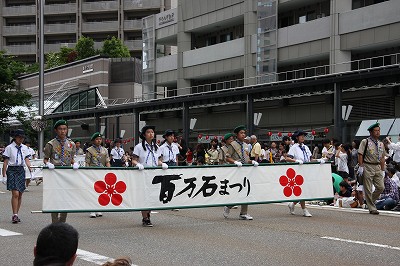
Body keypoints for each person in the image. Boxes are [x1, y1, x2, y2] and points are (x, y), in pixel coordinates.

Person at [131, 125, 167, 227]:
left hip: (154, 174)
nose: (151, 134)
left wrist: (162, 164)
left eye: (152, 132)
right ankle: (145, 217)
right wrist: (138, 164)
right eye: (148, 132)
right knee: (144, 196)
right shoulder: (139, 147)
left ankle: (148, 215)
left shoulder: (156, 147)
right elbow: (134, 160)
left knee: (151, 196)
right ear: (144, 135)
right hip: (143, 174)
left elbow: (159, 160)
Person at [44, 120, 78, 223]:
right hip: (55, 173)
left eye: (64, 129)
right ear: (56, 130)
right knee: (55, 198)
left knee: (66, 198)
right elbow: (45, 158)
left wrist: (74, 163)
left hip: (67, 173)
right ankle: (54, 222)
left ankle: (62, 220)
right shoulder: (51, 144)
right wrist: (48, 164)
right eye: (60, 129)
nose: (62, 131)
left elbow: (71, 158)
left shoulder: (71, 144)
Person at [285, 130, 325, 217]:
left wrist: (318, 160)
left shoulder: (306, 147)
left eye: (303, 136)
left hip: (307, 171)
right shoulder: (294, 147)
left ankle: (292, 204)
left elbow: (310, 159)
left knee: (305, 190)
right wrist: (296, 160)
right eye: (301, 136)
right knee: (302, 190)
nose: (303, 137)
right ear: (296, 137)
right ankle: (304, 209)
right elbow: (287, 158)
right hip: (298, 172)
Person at [222, 125, 258, 220]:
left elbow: (246, 159)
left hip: (245, 170)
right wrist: (235, 162)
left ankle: (243, 213)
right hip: (235, 170)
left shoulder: (246, 146)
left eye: (244, 133)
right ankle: (228, 206)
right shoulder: (232, 144)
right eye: (241, 133)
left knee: (246, 190)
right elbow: (227, 157)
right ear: (237, 134)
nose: (243, 134)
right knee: (238, 191)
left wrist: (252, 161)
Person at [2, 129, 32, 223]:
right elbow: (5, 162)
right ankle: (14, 214)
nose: (21, 139)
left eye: (22, 137)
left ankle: (17, 213)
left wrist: (31, 170)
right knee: (15, 193)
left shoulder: (24, 148)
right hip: (12, 170)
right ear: (15, 137)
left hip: (21, 170)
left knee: (20, 193)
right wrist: (3, 175)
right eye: (19, 137)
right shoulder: (9, 148)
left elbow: (27, 160)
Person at [357, 122, 386, 215]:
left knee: (381, 187)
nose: (378, 132)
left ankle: (369, 201)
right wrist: (361, 166)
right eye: (375, 131)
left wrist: (382, 169)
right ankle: (372, 208)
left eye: (379, 130)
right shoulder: (365, 141)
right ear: (371, 132)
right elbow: (360, 154)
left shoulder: (381, 144)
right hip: (367, 165)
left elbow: (382, 157)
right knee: (368, 188)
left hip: (377, 166)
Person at [85, 132, 110, 218]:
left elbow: (107, 161)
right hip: (92, 172)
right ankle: (92, 209)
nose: (99, 141)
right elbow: (87, 163)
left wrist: (109, 171)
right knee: (93, 190)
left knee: (101, 190)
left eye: (100, 139)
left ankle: (98, 207)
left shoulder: (105, 150)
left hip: (102, 172)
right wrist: (87, 173)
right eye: (97, 139)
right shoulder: (89, 150)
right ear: (93, 141)